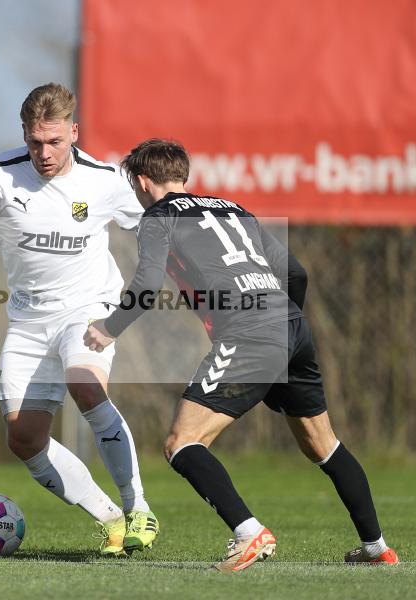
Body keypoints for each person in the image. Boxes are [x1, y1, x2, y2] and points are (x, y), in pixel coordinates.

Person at [84, 139, 397, 571]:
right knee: (323, 446)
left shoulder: (157, 218)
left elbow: (146, 286)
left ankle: (249, 534)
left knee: (181, 443)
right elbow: (295, 273)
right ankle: (376, 548)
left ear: (141, 181)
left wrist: (108, 328)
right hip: (290, 325)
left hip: (251, 333)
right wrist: (284, 337)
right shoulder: (234, 209)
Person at [0, 83, 158, 556]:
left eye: (54, 142)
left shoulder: (104, 179)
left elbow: (157, 219)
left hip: (89, 307)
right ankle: (110, 519)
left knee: (85, 384)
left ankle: (138, 509)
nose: (44, 153)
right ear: (24, 135)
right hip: (29, 321)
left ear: (73, 132)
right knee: (24, 436)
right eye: (34, 142)